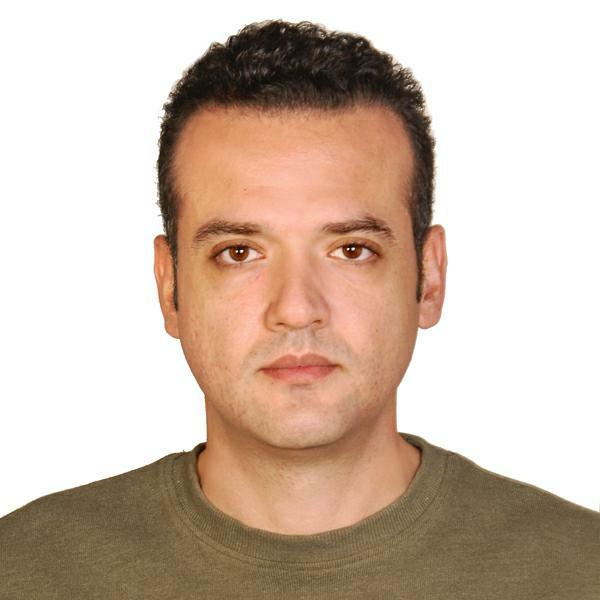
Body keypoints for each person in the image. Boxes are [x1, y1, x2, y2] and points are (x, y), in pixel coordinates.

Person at [1, 18, 597, 599]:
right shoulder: (22, 572)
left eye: (351, 250)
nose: (295, 308)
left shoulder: (580, 571)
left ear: (430, 277)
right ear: (169, 285)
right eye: (239, 252)